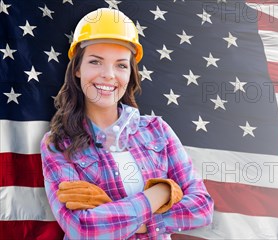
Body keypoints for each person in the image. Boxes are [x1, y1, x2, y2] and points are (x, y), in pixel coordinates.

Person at [40, 8, 213, 239]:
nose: (109, 75)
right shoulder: (57, 143)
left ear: (130, 73)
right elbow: (83, 229)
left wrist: (117, 218)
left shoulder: (157, 131)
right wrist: (160, 193)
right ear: (78, 69)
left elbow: (202, 207)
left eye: (121, 65)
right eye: (96, 62)